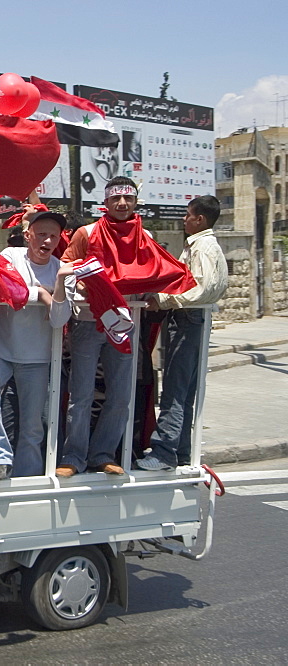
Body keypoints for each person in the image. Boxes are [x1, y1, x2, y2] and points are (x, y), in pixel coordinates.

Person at [57, 176, 195, 477]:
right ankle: (73, 457)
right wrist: (83, 285)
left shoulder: (145, 237)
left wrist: (156, 296)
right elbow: (64, 267)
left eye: (128, 199)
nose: (122, 204)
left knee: (120, 396)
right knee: (80, 395)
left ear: (135, 202)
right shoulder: (86, 233)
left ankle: (103, 454)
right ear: (105, 202)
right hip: (88, 323)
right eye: (115, 199)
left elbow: (160, 274)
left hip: (125, 324)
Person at [0, 211, 75, 479]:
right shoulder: (10, 256)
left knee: (33, 427)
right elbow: (5, 288)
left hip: (38, 358)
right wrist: (40, 293)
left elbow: (59, 320)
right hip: (0, 351)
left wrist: (57, 285)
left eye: (53, 236)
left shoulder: (61, 269)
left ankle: (28, 478)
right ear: (28, 235)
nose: (47, 241)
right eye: (41, 234)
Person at [138, 195, 228, 471]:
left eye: (188, 215)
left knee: (175, 390)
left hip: (187, 318)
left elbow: (198, 288)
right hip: (192, 318)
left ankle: (164, 452)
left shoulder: (202, 247)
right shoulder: (203, 246)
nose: (184, 219)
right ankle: (181, 451)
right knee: (184, 390)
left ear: (199, 219)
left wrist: (163, 300)